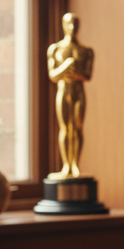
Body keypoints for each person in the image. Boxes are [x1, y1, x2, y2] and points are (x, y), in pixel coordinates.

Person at [46, 12, 94, 178]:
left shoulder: (86, 51)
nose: (72, 27)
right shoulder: (56, 49)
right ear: (63, 25)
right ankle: (66, 165)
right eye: (69, 23)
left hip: (78, 90)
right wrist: (66, 67)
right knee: (65, 127)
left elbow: (87, 75)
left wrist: (74, 72)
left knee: (78, 127)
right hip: (64, 89)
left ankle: (75, 165)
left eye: (75, 24)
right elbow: (53, 75)